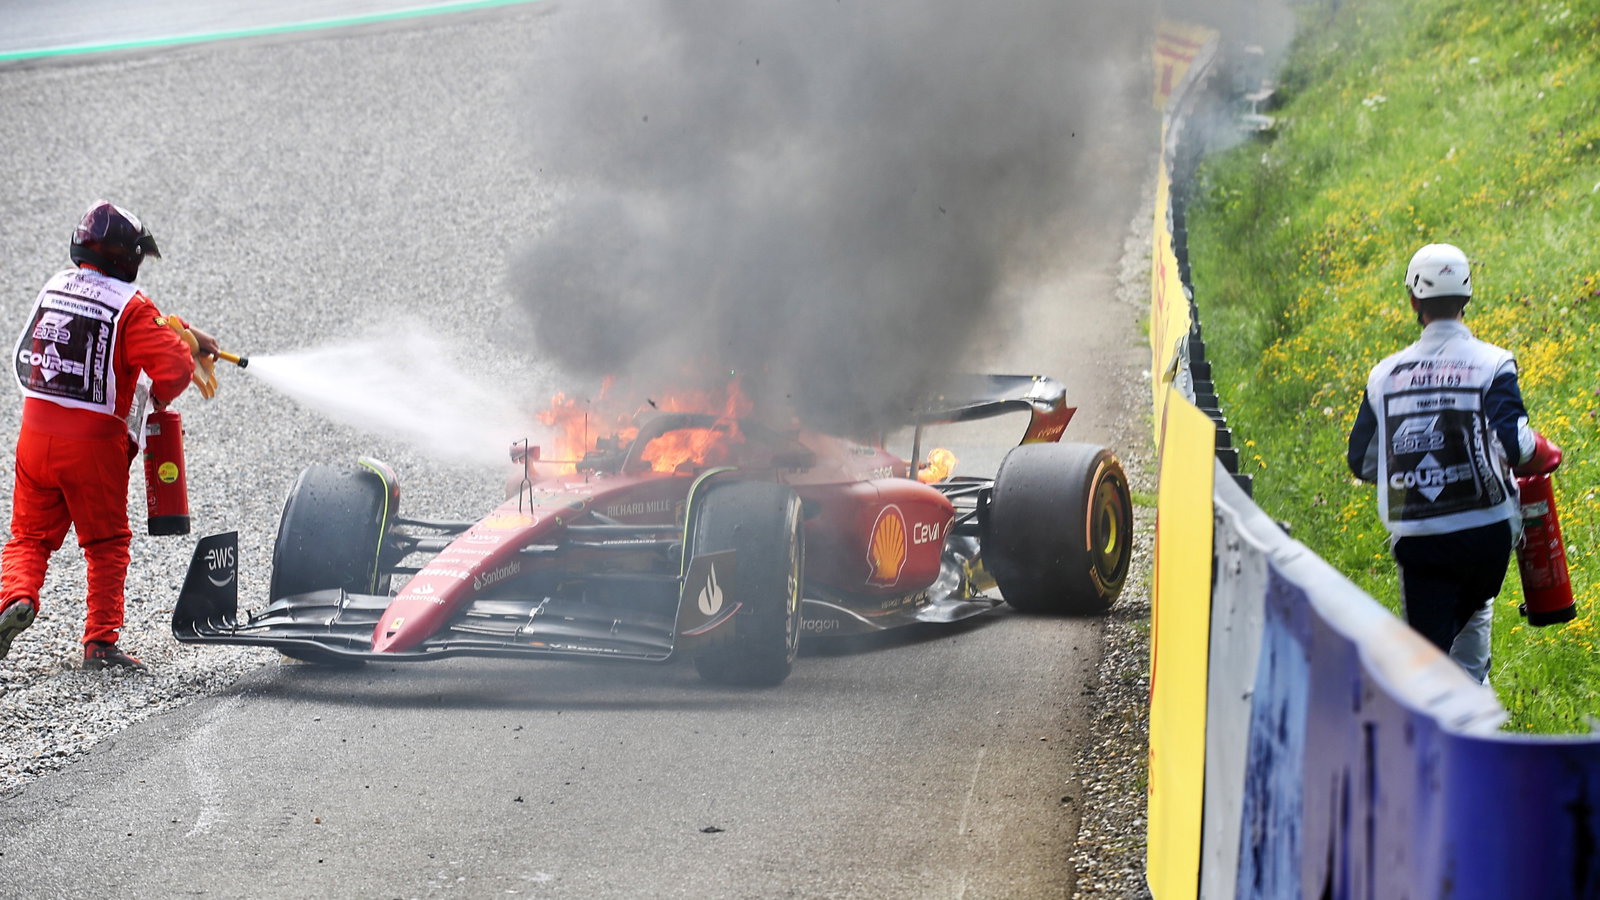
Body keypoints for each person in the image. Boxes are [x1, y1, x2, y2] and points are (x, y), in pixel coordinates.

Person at [0, 201, 220, 670]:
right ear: (129, 259)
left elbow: (113, 325)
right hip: (92, 446)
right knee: (106, 543)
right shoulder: (133, 308)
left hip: (36, 437)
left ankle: (14, 599)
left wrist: (181, 330)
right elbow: (176, 367)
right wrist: (157, 399)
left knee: (30, 536)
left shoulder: (56, 286)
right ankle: (100, 643)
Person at [1345, 243, 1558, 684]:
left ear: (1413, 301)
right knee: (1473, 626)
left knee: (1425, 668)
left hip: (1423, 543)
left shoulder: (1385, 375)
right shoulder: (1493, 362)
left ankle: (1447, 730)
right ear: (1467, 298)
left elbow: (1362, 462)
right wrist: (1540, 447)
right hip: (1488, 540)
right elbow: (1517, 447)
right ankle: (1475, 699)